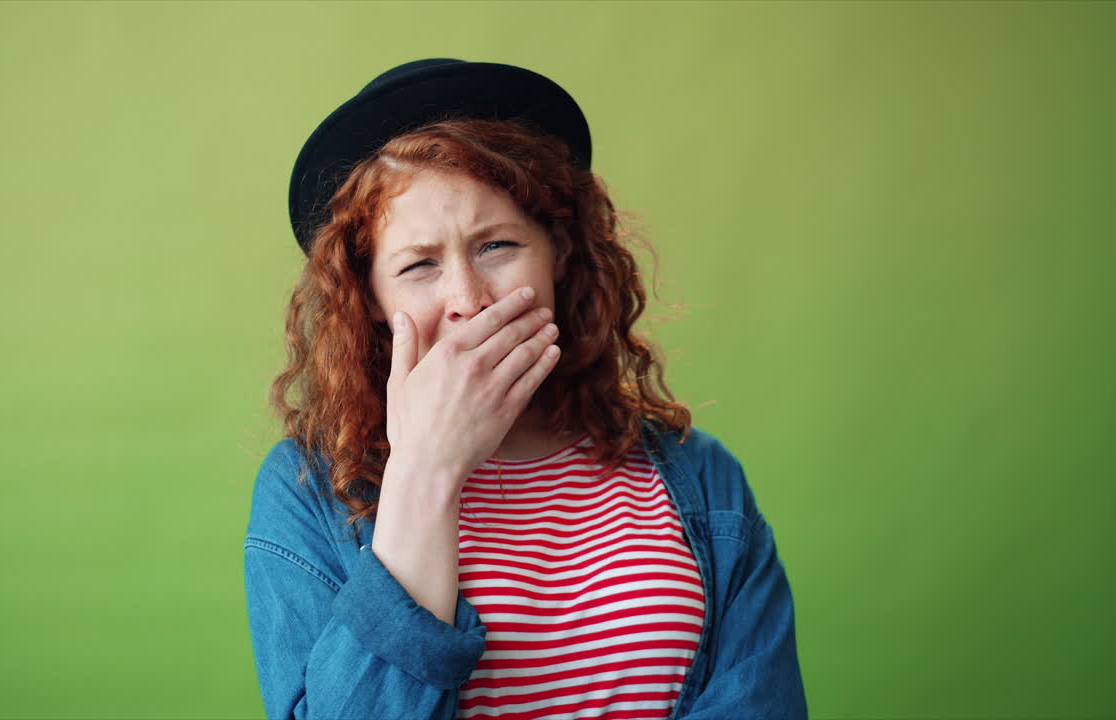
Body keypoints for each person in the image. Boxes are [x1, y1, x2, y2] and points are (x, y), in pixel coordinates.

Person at [244, 58, 807, 720]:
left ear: (558, 254)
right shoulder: (306, 493)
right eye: (419, 265)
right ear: (368, 297)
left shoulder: (704, 479)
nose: (467, 299)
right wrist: (425, 471)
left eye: (498, 246)